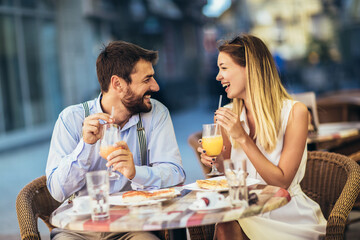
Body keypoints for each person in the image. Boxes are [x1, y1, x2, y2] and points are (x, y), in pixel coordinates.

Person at [46, 41, 186, 239]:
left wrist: (136, 173)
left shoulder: (156, 114)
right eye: (147, 79)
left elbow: (176, 174)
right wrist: (85, 147)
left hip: (133, 226)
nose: (156, 86)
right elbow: (58, 191)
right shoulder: (71, 119)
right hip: (79, 229)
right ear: (117, 84)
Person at [198, 34, 326, 240]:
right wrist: (213, 160)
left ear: (250, 68)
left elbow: (281, 182)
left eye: (224, 68)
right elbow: (227, 174)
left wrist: (242, 138)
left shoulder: (295, 112)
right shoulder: (229, 113)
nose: (218, 76)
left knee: (227, 224)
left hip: (285, 213)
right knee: (225, 222)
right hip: (245, 206)